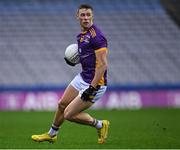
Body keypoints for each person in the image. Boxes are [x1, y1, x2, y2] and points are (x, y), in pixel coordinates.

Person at [31, 4, 109, 144]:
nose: (85, 18)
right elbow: (88, 57)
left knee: (69, 114)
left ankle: (100, 124)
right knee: (62, 104)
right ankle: (52, 134)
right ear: (77, 16)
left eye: (88, 15)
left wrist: (91, 88)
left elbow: (103, 65)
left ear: (92, 16)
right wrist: (74, 61)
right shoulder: (80, 36)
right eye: (83, 15)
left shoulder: (97, 37)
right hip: (83, 77)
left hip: (96, 83)